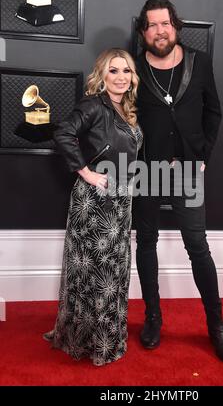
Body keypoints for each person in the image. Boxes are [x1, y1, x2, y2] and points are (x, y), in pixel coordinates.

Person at [133, 0, 223, 363]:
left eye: (165, 24)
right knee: (146, 242)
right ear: (143, 31)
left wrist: (203, 157)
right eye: (152, 25)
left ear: (175, 26)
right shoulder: (132, 67)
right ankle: (153, 318)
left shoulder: (198, 61)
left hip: (188, 170)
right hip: (146, 170)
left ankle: (216, 326)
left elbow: (214, 112)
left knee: (197, 245)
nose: (159, 31)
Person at [43, 48, 143, 366]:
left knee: (113, 270)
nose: (121, 77)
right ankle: (91, 341)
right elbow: (63, 133)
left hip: (121, 201)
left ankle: (105, 334)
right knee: (95, 272)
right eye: (113, 71)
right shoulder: (94, 105)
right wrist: (85, 172)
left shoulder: (127, 109)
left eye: (126, 71)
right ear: (102, 75)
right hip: (95, 202)